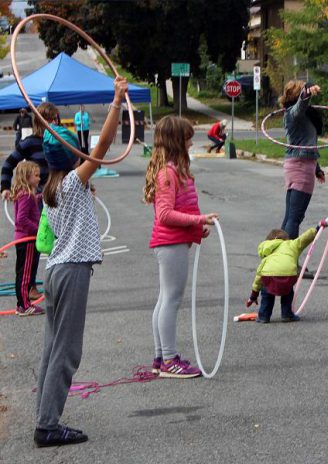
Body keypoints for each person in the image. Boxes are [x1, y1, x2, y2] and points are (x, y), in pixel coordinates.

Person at [34, 76, 128, 448]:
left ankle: (44, 416)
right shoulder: (73, 182)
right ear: (76, 155)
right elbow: (103, 145)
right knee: (67, 349)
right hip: (72, 271)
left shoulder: (51, 189)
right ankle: (47, 425)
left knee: (52, 347)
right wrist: (117, 100)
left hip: (55, 270)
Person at [143, 115, 219, 378]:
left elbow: (180, 210)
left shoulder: (173, 171)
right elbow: (164, 214)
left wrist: (196, 228)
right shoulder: (168, 174)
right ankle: (168, 358)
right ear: (177, 141)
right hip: (169, 243)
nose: (191, 142)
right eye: (187, 137)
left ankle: (160, 356)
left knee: (165, 298)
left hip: (174, 242)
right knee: (171, 300)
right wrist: (198, 219)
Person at [279, 80, 326, 279]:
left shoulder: (299, 117)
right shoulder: (293, 113)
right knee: (295, 218)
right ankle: (289, 263)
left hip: (300, 165)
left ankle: (280, 258)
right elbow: (301, 105)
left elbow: (305, 144)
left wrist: (317, 168)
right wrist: (307, 92)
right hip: (299, 168)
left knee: (290, 216)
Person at [246, 220, 327, 323]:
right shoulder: (291, 244)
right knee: (287, 291)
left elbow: (258, 277)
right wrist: (317, 228)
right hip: (289, 274)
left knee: (267, 292)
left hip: (269, 275)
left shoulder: (267, 252)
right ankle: (287, 314)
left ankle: (263, 316)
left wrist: (253, 296)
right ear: (285, 239)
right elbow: (304, 238)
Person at [11, 160, 44, 316]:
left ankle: (22, 304)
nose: (39, 178)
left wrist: (39, 198)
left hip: (23, 239)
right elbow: (21, 219)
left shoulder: (25, 194)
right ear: (26, 177)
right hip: (27, 239)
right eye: (36, 176)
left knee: (22, 273)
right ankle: (25, 305)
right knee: (25, 274)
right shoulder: (27, 196)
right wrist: (37, 231)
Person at [2, 103, 54, 200]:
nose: (53, 123)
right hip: (38, 198)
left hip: (59, 197)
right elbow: (8, 164)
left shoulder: (63, 142)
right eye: (49, 119)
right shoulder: (29, 142)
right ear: (39, 121)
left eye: (55, 119)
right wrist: (5, 188)